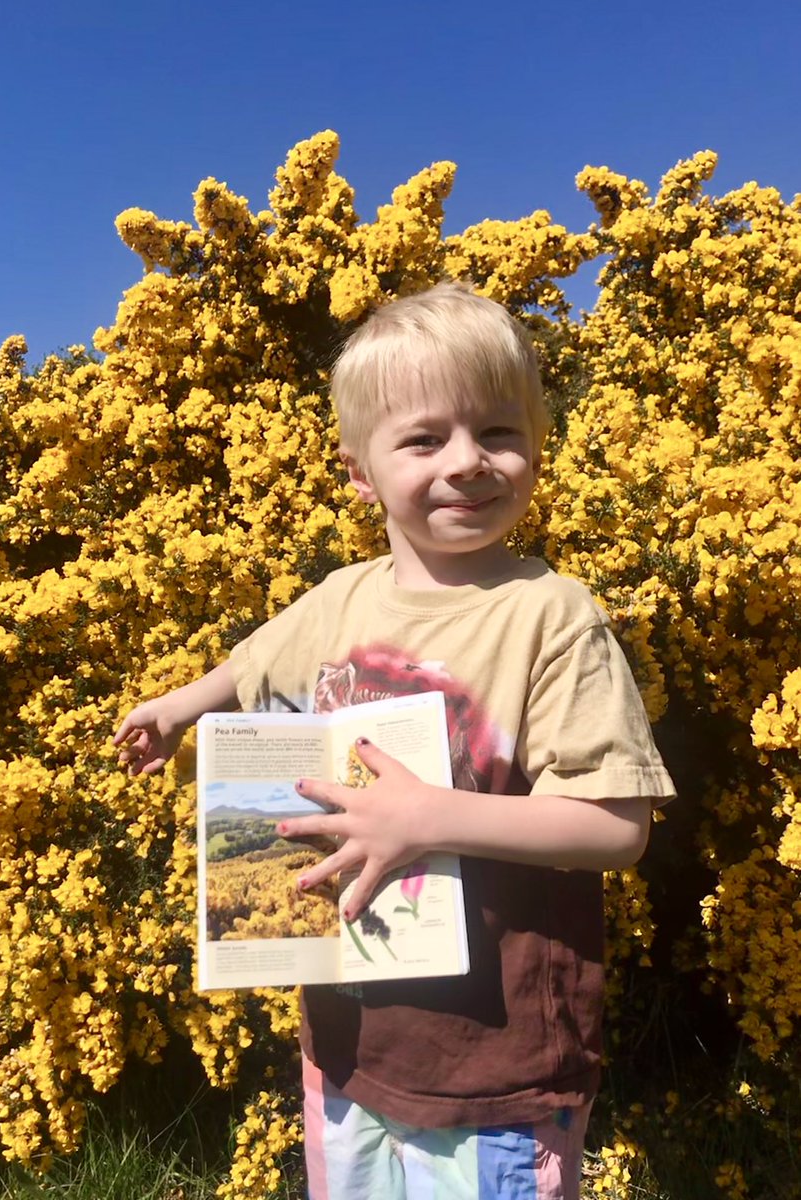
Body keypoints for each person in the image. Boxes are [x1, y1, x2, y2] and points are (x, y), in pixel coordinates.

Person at [114, 282, 675, 1199]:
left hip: (492, 1062)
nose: (468, 462)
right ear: (358, 473)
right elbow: (257, 665)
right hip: (346, 1041)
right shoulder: (344, 597)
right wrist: (179, 706)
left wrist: (428, 817)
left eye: (498, 431)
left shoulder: (549, 617)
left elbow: (615, 825)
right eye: (424, 439)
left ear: (535, 445)